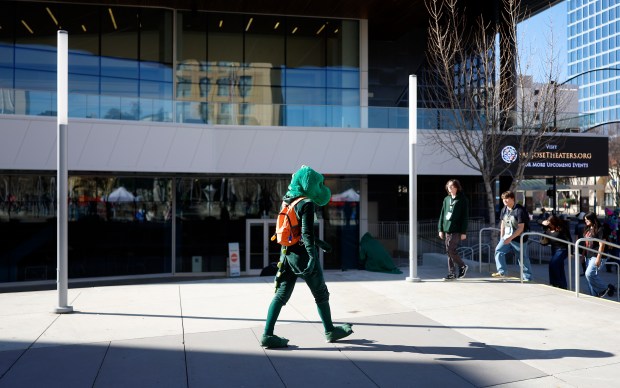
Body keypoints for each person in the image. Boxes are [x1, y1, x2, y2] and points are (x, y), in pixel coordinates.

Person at [261, 165, 353, 348]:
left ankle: (267, 334)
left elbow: (297, 231)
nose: (320, 188)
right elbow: (306, 234)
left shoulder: (288, 200)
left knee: (280, 295)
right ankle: (330, 331)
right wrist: (312, 256)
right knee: (320, 293)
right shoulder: (307, 203)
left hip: (287, 253)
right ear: (309, 183)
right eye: (317, 184)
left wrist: (321, 243)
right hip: (303, 255)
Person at [492, 191, 533, 281]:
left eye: (507, 198)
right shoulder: (504, 209)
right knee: (498, 251)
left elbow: (521, 228)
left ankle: (528, 277)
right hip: (507, 237)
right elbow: (503, 223)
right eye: (503, 199)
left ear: (512, 199)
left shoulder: (520, 210)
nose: (505, 201)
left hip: (519, 239)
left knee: (522, 258)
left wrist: (510, 238)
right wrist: (502, 238)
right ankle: (502, 272)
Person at [437, 179, 469, 280]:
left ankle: (462, 265)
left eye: (452, 186)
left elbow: (465, 217)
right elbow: (442, 214)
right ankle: (452, 273)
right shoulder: (446, 199)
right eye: (448, 186)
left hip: (457, 230)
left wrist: (463, 232)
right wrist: (440, 229)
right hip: (447, 229)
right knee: (449, 251)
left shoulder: (462, 199)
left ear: (457, 187)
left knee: (450, 250)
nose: (450, 188)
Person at [582, 212, 617, 298]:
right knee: (590, 279)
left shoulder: (600, 229)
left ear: (592, 219)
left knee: (589, 274)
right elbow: (585, 243)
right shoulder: (587, 228)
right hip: (588, 255)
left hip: (597, 255)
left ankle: (605, 288)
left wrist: (598, 258)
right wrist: (583, 255)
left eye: (587, 219)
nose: (585, 221)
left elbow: (602, 245)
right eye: (585, 219)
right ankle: (594, 297)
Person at [540, 215, 572, 289]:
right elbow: (537, 222)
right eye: (548, 222)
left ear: (554, 222)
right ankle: (563, 285)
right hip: (554, 250)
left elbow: (569, 240)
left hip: (562, 249)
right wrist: (543, 222)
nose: (549, 224)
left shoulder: (561, 228)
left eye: (550, 223)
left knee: (552, 264)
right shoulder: (548, 229)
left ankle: (555, 283)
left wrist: (571, 252)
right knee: (559, 267)